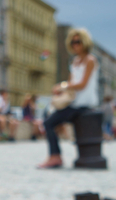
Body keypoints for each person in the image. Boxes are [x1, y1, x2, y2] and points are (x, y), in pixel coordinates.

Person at [37, 27, 98, 169]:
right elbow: (71, 83)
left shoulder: (90, 60)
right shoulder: (75, 61)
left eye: (78, 42)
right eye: (72, 42)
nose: (75, 45)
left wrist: (62, 87)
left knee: (48, 123)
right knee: (50, 122)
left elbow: (82, 84)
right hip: (73, 102)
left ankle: (55, 156)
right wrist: (62, 88)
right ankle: (55, 155)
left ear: (85, 42)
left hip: (82, 104)